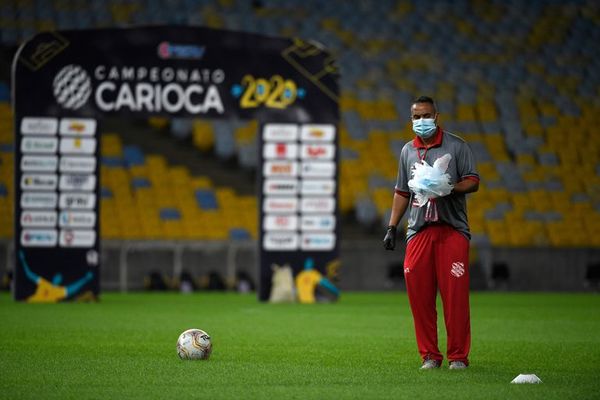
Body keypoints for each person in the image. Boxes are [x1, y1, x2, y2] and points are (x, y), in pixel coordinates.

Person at [383, 96, 479, 370]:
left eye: (426, 115)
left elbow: (473, 181)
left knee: (455, 298)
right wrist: (392, 226)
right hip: (419, 231)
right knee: (420, 298)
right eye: (416, 117)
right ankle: (429, 356)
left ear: (436, 117)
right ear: (411, 119)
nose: (421, 121)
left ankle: (458, 357)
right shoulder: (406, 151)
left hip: (452, 230)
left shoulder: (457, 146)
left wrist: (450, 188)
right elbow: (402, 191)